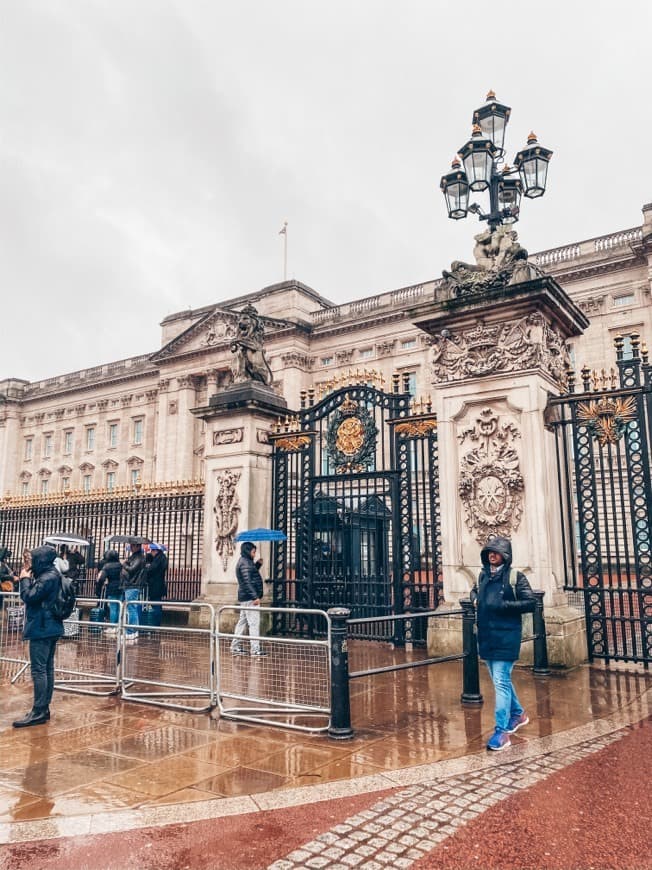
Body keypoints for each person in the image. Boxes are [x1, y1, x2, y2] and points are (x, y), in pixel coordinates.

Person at [471, 536, 536, 752]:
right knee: (501, 680)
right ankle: (518, 714)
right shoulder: (483, 575)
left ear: (505, 556)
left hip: (507, 636)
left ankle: (502, 731)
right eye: (489, 552)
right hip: (487, 635)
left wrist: (504, 605)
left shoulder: (516, 577)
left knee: (500, 681)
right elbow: (475, 592)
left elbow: (530, 603)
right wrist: (475, 599)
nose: (492, 555)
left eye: (496, 552)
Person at [13, 546, 63, 728]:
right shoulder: (52, 574)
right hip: (50, 626)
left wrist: (25, 579)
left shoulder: (47, 577)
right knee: (46, 668)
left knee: (39, 669)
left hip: (42, 627)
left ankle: (39, 710)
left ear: (42, 560)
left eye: (34, 559)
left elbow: (29, 596)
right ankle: (43, 708)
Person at [231, 541, 265, 656]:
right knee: (254, 623)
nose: (254, 554)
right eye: (253, 552)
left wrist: (258, 565)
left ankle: (235, 647)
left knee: (242, 623)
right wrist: (255, 596)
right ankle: (255, 650)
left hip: (245, 597)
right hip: (250, 598)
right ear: (247, 551)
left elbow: (250, 575)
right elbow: (247, 582)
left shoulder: (245, 562)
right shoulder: (245, 563)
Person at [120, 539, 146, 643]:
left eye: (133, 545)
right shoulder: (135, 556)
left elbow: (131, 569)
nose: (131, 547)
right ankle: (133, 631)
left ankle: (131, 631)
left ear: (137, 546)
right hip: (130, 584)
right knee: (131, 608)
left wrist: (124, 564)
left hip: (133, 585)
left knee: (131, 608)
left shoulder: (139, 557)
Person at [96, 549, 122, 632]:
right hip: (121, 587)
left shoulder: (107, 566)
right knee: (119, 607)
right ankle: (119, 626)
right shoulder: (120, 565)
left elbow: (101, 578)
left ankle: (113, 627)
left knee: (113, 608)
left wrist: (101, 583)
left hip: (111, 587)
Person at [143, 544, 168, 627]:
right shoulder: (162, 558)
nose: (151, 553)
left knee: (156, 605)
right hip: (158, 585)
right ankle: (156, 623)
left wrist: (147, 568)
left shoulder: (158, 559)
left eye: (152, 551)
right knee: (157, 604)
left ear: (156, 551)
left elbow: (151, 570)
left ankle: (156, 624)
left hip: (155, 586)